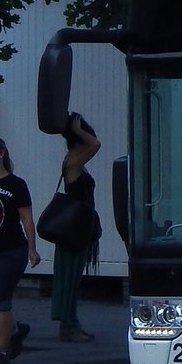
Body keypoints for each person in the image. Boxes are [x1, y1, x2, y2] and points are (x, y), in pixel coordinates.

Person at [53, 112, 100, 342]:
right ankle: (69, 325)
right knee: (70, 276)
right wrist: (78, 129)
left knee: (70, 276)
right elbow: (96, 144)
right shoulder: (74, 161)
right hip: (74, 230)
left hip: (75, 228)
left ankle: (70, 323)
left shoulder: (73, 159)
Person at [0, 137, 40, 364]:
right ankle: (14, 331)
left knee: (1, 299)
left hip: (11, 251)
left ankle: (1, 352)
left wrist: (32, 249)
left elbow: (27, 219)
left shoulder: (16, 185)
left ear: (1, 154)